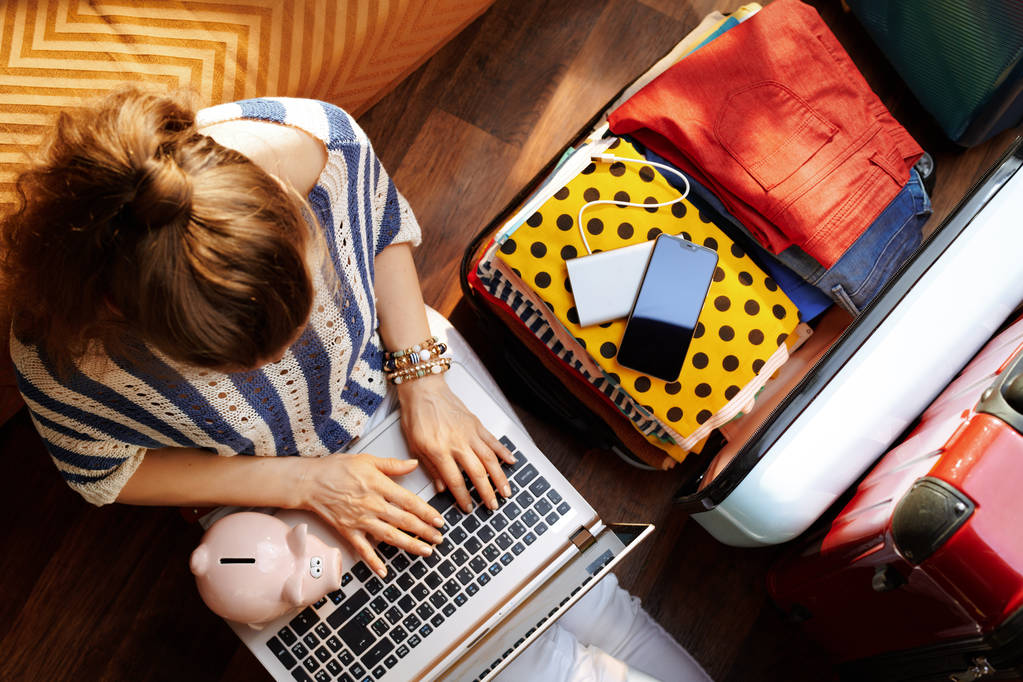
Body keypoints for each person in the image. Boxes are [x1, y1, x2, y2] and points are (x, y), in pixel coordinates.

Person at [1, 88, 711, 682]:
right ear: (123, 314)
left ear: (283, 206)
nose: (286, 357)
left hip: (404, 387)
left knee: (591, 595)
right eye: (231, 363)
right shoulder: (64, 351)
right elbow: (106, 471)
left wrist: (423, 378)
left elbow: (381, 229)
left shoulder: (312, 147)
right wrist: (303, 484)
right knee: (514, 662)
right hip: (264, 484)